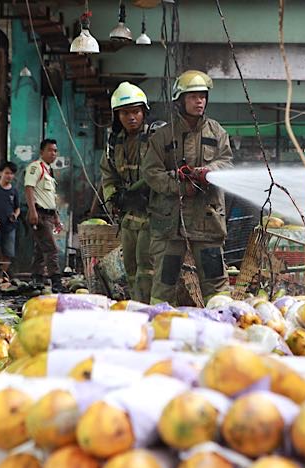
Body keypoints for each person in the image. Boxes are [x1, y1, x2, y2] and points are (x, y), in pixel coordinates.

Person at [142, 70, 233, 305]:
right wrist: (180, 187)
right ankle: (159, 328)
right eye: (193, 96)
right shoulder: (163, 135)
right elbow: (151, 173)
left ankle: (221, 328)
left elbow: (227, 163)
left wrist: (209, 171)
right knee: (164, 283)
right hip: (171, 223)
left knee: (216, 285)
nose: (199, 101)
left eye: (202, 96)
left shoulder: (217, 132)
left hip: (207, 219)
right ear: (180, 100)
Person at [100, 82, 164, 303]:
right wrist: (114, 197)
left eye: (136, 111)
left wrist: (147, 190)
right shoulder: (114, 144)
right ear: (117, 115)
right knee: (131, 269)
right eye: (125, 113)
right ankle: (137, 308)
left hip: (153, 214)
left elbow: (165, 171)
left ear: (144, 112)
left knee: (149, 268)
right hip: (128, 217)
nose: (131, 117)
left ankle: (151, 311)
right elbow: (107, 175)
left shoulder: (157, 136)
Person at [24, 139, 64, 290]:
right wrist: (33, 211)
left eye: (55, 151)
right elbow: (29, 188)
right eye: (50, 150)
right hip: (39, 214)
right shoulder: (36, 167)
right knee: (51, 249)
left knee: (41, 249)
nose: (53, 153)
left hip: (48, 214)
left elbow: (50, 198)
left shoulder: (49, 171)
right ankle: (56, 282)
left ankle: (37, 279)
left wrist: (56, 218)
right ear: (41, 152)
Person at [0, 162, 20, 274]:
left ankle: (1, 277)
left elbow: (17, 208)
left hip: (9, 226)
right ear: (1, 173)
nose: (9, 176)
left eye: (11, 174)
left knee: (8, 253)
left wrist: (15, 215)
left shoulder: (14, 191)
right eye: (7, 173)